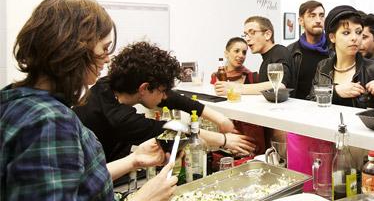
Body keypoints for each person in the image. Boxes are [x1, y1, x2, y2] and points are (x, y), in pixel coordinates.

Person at [1, 0, 175, 201]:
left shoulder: (17, 100)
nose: (108, 58)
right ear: (73, 50)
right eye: (104, 48)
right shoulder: (51, 122)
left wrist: (134, 160)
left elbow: (74, 183)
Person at [74, 41, 256, 162]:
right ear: (144, 88)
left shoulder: (107, 84)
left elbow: (172, 99)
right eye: (162, 91)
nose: (164, 97)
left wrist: (218, 118)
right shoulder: (120, 119)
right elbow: (169, 130)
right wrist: (224, 140)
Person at [312, 5, 374, 108]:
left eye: (358, 32)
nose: (354, 38)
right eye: (346, 33)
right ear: (332, 37)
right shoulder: (323, 66)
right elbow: (311, 100)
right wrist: (335, 91)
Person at [215, 16, 293, 96]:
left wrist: (235, 88)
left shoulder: (280, 51)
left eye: (252, 33)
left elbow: (280, 85)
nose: (247, 39)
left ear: (267, 34)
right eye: (245, 35)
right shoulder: (266, 59)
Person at [287, 0, 330, 99]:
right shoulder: (290, 51)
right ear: (301, 21)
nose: (318, 20)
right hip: (298, 106)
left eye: (321, 15)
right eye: (312, 16)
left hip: (326, 105)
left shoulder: (334, 49)